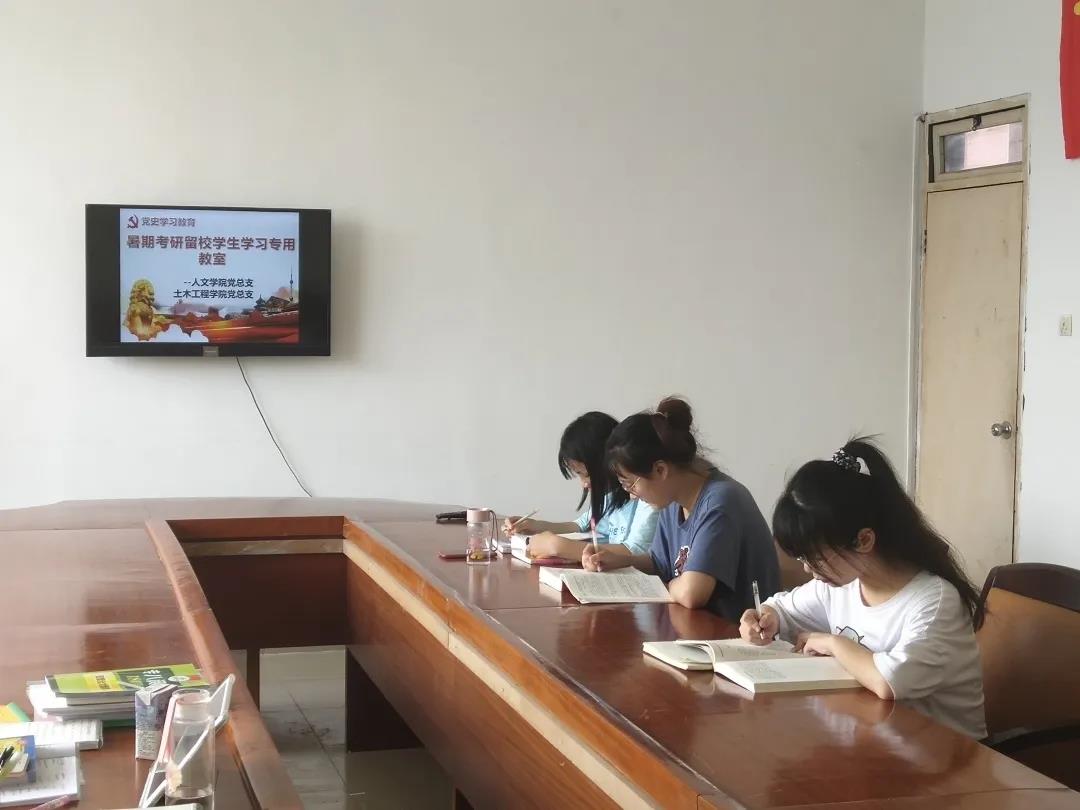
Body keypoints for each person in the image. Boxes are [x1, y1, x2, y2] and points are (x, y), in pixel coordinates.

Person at [739, 439, 986, 739]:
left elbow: (889, 681)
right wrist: (765, 617)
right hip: (874, 739)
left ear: (865, 540)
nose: (808, 570)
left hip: (946, 754)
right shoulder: (842, 584)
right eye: (803, 559)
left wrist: (833, 644)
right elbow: (782, 609)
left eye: (815, 558)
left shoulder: (935, 602)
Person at [582, 396, 780, 620]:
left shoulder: (720, 502)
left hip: (736, 633)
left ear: (660, 470)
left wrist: (665, 585)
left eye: (630, 484)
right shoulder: (672, 500)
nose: (631, 495)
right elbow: (660, 563)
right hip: (693, 627)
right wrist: (620, 561)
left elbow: (691, 594)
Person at [502, 411, 658, 560]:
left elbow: (635, 552)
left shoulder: (648, 496)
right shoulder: (611, 496)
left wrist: (558, 546)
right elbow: (580, 525)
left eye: (586, 474)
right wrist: (534, 526)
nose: (583, 484)